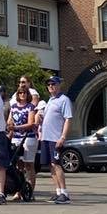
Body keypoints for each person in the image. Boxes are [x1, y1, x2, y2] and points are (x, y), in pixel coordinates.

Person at [39, 75, 73, 204]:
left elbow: (68, 119)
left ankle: (64, 193)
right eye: (49, 85)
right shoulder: (50, 100)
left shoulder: (64, 100)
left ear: (59, 85)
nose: (51, 86)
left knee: (56, 164)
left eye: (53, 84)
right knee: (50, 165)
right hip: (46, 138)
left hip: (55, 138)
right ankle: (58, 191)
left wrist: (63, 137)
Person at [7, 82, 38, 199]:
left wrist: (15, 127)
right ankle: (18, 191)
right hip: (16, 138)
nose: (22, 94)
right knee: (18, 165)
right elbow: (9, 120)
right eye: (20, 92)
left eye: (24, 92)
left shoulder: (30, 107)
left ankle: (30, 191)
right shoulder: (14, 107)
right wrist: (10, 126)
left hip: (28, 137)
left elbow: (30, 123)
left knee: (29, 165)